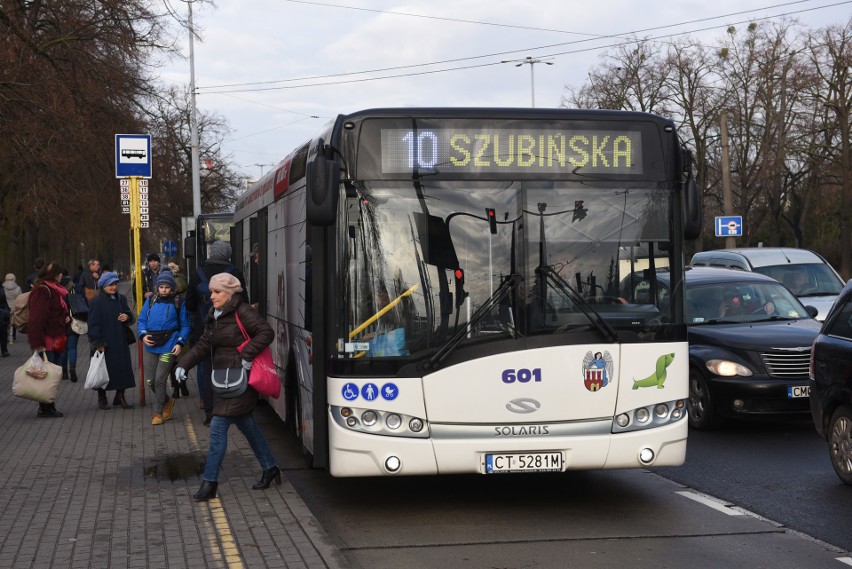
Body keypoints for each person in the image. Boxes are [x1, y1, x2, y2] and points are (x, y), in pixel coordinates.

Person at [175, 272, 277, 501]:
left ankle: (209, 483)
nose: (212, 296)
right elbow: (203, 344)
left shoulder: (243, 311)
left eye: (217, 292)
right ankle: (270, 467)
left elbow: (266, 332)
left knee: (218, 427)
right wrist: (184, 364)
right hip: (224, 380)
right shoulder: (215, 314)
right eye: (211, 291)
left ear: (230, 294)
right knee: (247, 424)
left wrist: (247, 355)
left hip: (239, 381)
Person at [185, 239, 247, 425]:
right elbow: (244, 302)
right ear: (227, 254)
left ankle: (209, 410)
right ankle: (230, 409)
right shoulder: (234, 274)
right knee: (230, 368)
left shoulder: (197, 274)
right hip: (230, 332)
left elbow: (190, 305)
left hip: (204, 332)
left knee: (206, 369)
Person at [138, 271, 190, 425]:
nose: (164, 290)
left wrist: (180, 343)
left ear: (172, 288)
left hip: (169, 345)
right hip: (151, 345)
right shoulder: (151, 301)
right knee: (150, 381)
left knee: (160, 380)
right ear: (157, 288)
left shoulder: (178, 302)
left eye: (167, 287)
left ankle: (157, 412)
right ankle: (167, 401)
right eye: (161, 287)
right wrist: (142, 335)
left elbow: (186, 325)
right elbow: (142, 320)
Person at [88, 271, 136, 410]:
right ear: (103, 286)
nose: (113, 287)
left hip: (120, 339)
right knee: (103, 370)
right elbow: (93, 323)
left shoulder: (121, 299)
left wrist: (126, 317)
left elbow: (128, 314)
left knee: (122, 370)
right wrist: (98, 342)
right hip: (105, 342)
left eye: (115, 284)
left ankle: (120, 396)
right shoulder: (97, 301)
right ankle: (102, 398)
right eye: (110, 285)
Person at [27, 261, 68, 418]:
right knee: (46, 375)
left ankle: (49, 405)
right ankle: (45, 407)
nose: (61, 275)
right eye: (59, 273)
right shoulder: (43, 291)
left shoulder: (56, 290)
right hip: (46, 341)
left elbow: (56, 313)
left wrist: (66, 319)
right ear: (53, 274)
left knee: (52, 375)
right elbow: (37, 319)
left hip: (56, 338)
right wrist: (37, 343)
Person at [59, 276, 80, 382]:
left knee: (63, 349)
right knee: (72, 348)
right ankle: (72, 366)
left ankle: (64, 373)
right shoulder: (75, 292)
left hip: (62, 325)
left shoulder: (58, 294)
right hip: (74, 324)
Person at [3, 273, 22, 342]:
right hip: (14, 307)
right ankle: (11, 337)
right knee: (12, 322)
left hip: (5, 307)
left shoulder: (3, 288)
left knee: (5, 322)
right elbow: (20, 298)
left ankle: (5, 336)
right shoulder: (18, 288)